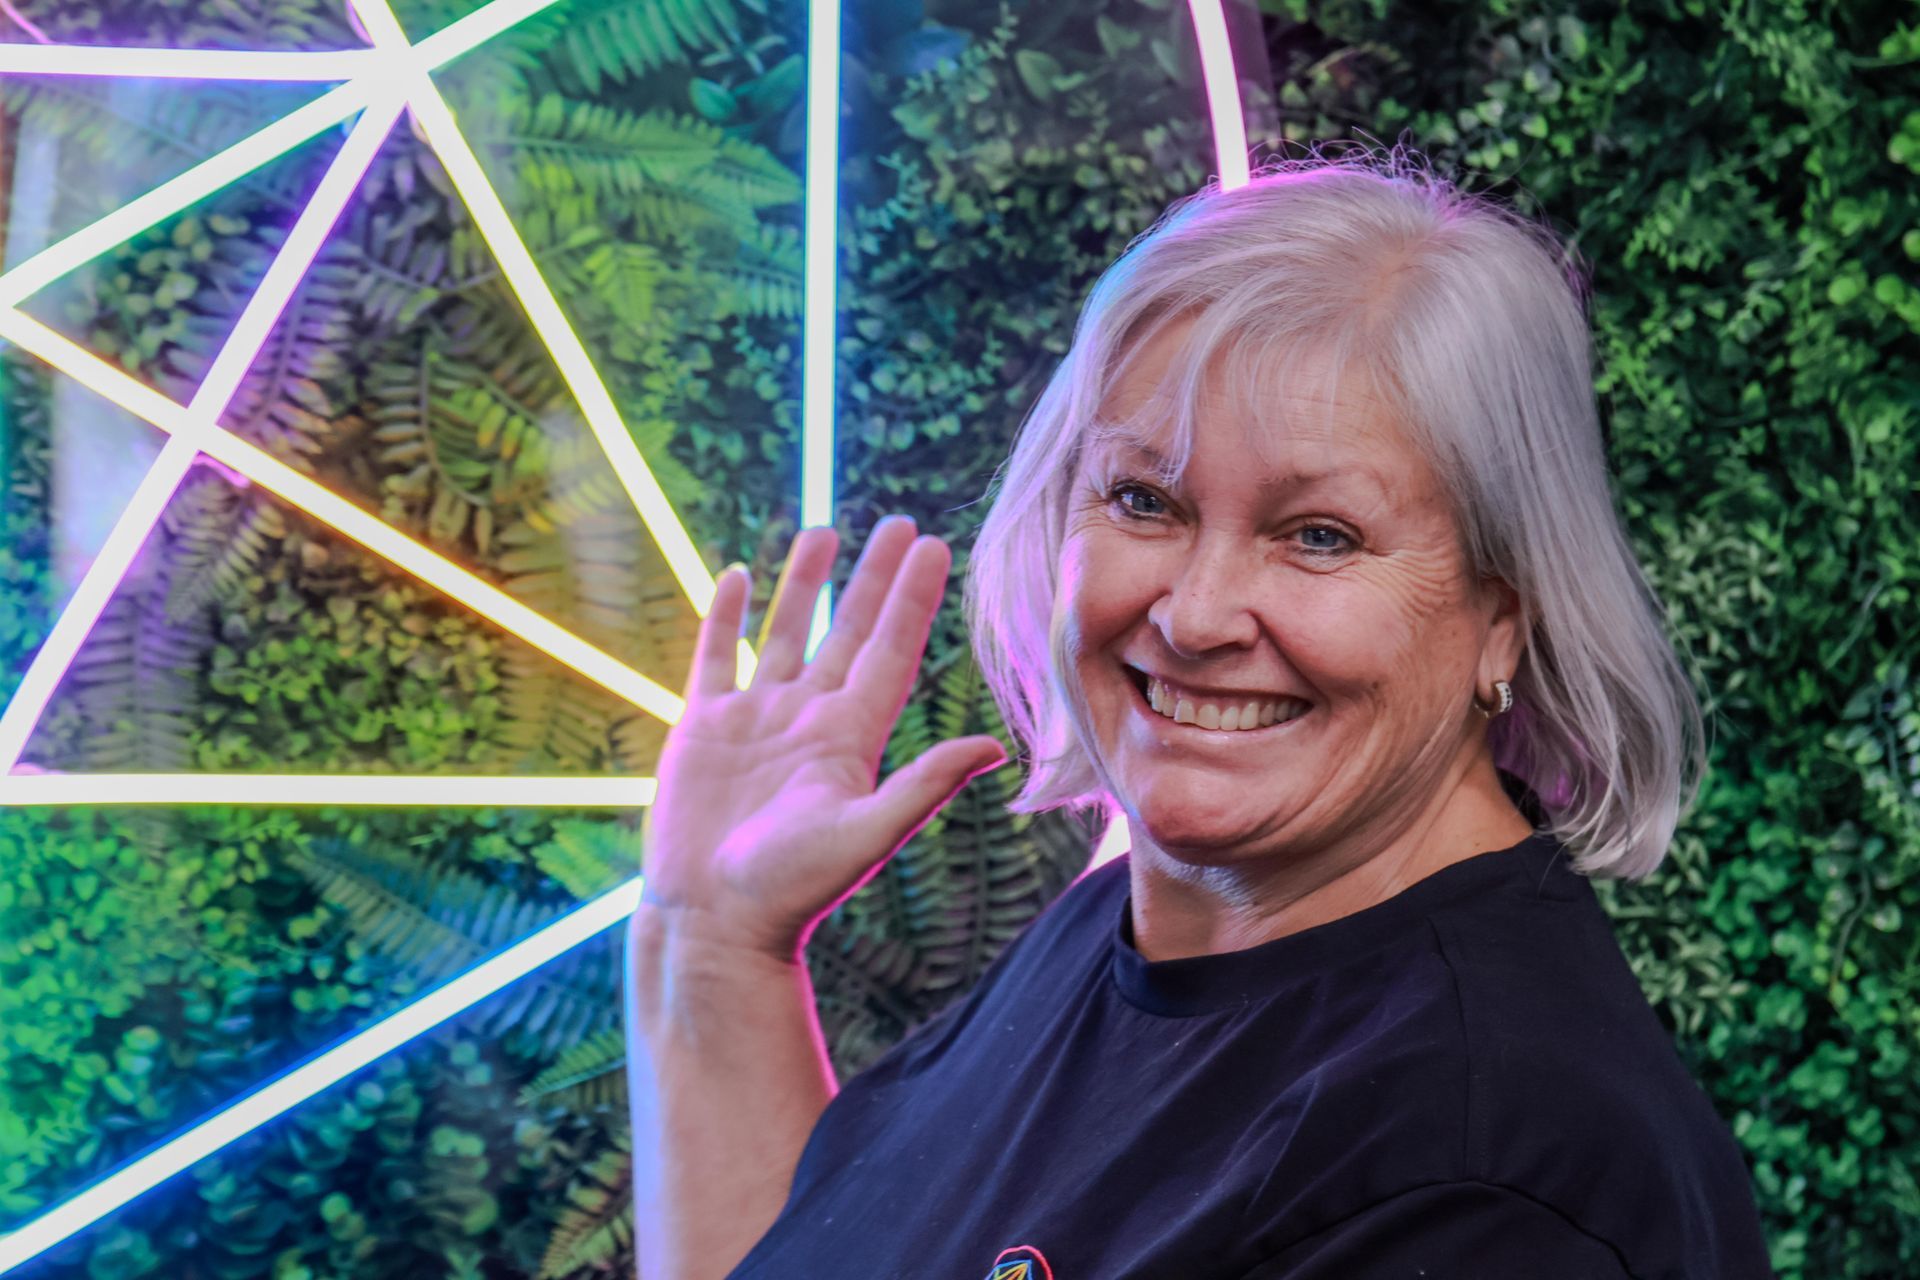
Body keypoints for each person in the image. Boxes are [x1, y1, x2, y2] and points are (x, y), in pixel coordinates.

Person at [624, 151, 1775, 1279]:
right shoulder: (1135, 933)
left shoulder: (1488, 1178)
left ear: (1501, 616)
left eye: (1319, 534)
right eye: (1143, 499)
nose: (1197, 612)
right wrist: (709, 937)